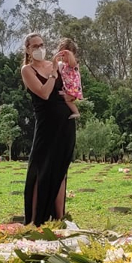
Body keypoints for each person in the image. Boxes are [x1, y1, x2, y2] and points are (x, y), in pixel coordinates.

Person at [19, 33, 76, 225]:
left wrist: (71, 97)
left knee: (60, 170)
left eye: (42, 45)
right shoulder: (27, 70)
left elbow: (73, 85)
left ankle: (60, 218)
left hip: (65, 123)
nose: (39, 48)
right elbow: (44, 93)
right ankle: (35, 220)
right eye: (34, 46)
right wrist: (52, 73)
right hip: (46, 125)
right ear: (27, 49)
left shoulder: (57, 66)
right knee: (39, 169)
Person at [56, 38, 83, 120]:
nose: (62, 57)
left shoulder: (73, 64)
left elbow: (72, 62)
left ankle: (76, 112)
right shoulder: (63, 65)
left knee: (68, 100)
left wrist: (69, 54)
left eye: (64, 55)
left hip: (73, 88)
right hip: (68, 87)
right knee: (66, 97)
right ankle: (64, 93)